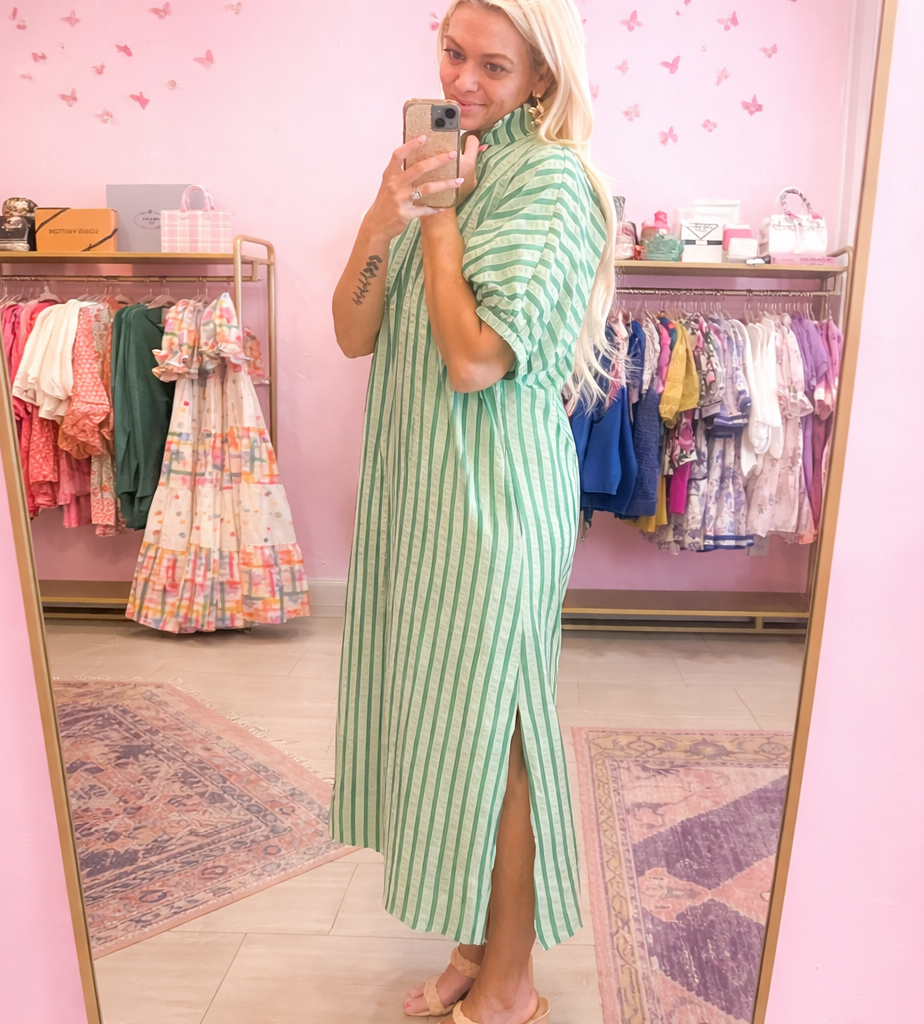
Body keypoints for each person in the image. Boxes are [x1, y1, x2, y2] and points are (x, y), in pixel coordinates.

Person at [329, 2, 615, 1022]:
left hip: (494, 504)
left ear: (541, 79)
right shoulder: (453, 163)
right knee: (446, 725)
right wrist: (383, 211)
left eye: (494, 67)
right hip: (421, 498)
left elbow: (472, 359)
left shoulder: (550, 183)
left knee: (499, 737)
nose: (463, 83)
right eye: (453, 54)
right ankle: (471, 940)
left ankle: (510, 980)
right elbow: (352, 330)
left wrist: (439, 221)